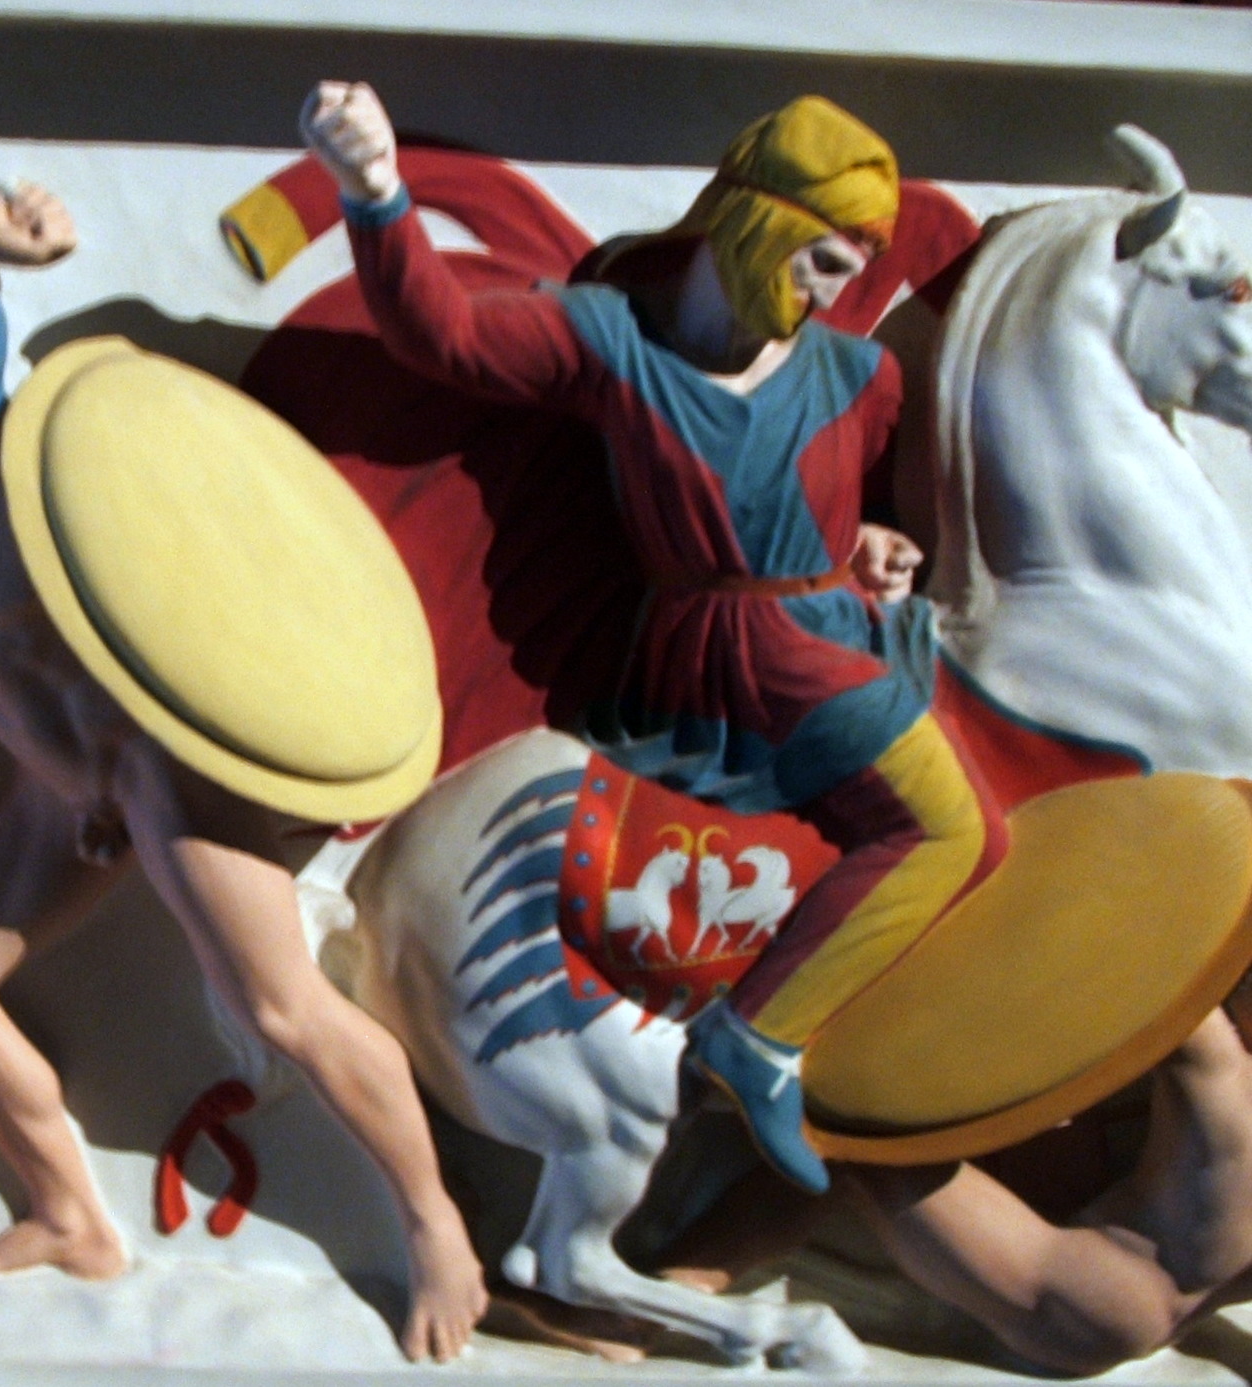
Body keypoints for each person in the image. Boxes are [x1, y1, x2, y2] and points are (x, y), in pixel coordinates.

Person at [0, 187, 489, 1361]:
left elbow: (210, 587)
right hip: (57, 790)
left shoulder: (52, 478)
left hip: (158, 778)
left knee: (281, 1005)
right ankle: (70, 1218)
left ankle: (436, 1228)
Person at [302, 82, 1005, 1196]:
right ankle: (756, 1038)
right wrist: (375, 188)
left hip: (832, 624)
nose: (834, 293)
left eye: (853, 269)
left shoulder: (858, 374)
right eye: (822, 261)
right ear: (757, 221)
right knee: (953, 828)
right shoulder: (615, 344)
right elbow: (444, 333)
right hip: (741, 660)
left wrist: (864, 544)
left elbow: (829, 506)